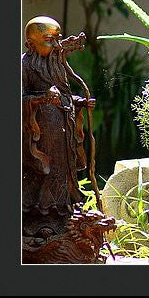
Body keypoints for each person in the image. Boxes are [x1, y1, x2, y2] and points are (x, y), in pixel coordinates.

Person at [22, 16, 95, 238]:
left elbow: (64, 95)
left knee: (63, 169)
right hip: (40, 133)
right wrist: (41, 98)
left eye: (57, 39)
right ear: (31, 44)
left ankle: (63, 212)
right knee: (45, 170)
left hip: (63, 128)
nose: (55, 46)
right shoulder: (24, 65)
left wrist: (79, 102)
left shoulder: (57, 64)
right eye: (48, 40)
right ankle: (40, 217)